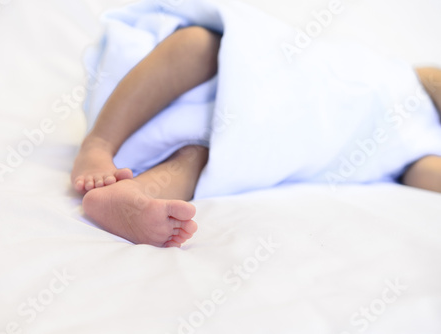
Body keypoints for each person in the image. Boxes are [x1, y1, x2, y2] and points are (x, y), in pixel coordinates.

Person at [70, 26, 441, 248]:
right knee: (197, 44)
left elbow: (422, 175)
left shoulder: (424, 146)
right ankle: (100, 144)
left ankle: (132, 195)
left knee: (204, 158)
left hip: (264, 129)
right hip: (265, 76)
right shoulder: (415, 83)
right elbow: (430, 78)